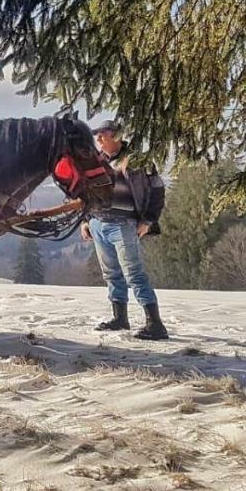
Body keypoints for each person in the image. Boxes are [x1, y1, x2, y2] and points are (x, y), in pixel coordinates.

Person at [80, 120, 169, 340]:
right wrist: (85, 220)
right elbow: (83, 192)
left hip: (124, 225)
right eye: (97, 136)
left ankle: (155, 324)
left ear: (116, 136)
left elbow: (157, 190)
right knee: (111, 274)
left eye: (103, 135)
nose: (98, 139)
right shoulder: (96, 161)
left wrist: (148, 220)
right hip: (98, 224)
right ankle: (120, 319)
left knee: (134, 274)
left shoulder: (138, 160)